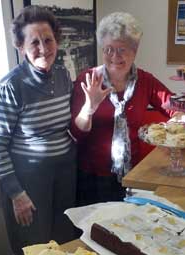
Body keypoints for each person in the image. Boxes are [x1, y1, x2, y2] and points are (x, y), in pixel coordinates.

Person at [0, 6, 76, 255]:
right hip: (29, 183)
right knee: (34, 251)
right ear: (21, 47)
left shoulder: (62, 75)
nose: (43, 48)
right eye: (34, 42)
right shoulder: (11, 85)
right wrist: (16, 194)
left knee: (64, 246)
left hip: (65, 176)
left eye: (48, 40)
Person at [71, 12, 176, 206]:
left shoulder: (145, 81)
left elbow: (176, 108)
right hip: (92, 177)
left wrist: (170, 136)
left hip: (133, 175)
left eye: (122, 50)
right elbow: (76, 132)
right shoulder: (88, 80)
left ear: (134, 51)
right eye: (108, 49)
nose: (114, 57)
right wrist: (90, 107)